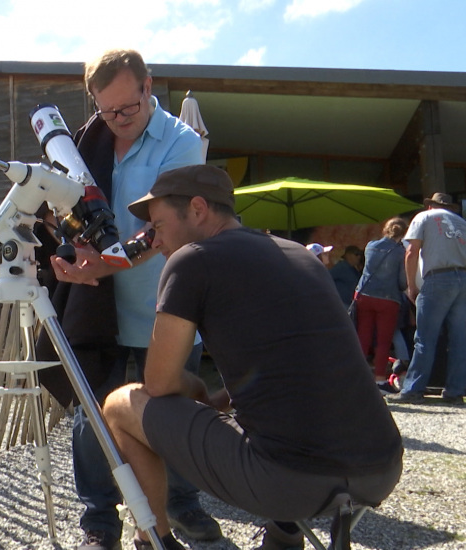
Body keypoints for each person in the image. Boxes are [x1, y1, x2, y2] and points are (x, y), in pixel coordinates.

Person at [101, 164, 403, 550]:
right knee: (275, 418)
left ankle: (154, 539)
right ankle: (284, 537)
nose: (154, 241)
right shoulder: (300, 256)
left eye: (158, 226)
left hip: (292, 482)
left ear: (197, 209)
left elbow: (159, 383)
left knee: (120, 404)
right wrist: (219, 401)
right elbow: (287, 368)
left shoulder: (192, 259)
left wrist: (197, 388)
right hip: (381, 468)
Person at [35, 49, 221, 550]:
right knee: (92, 415)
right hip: (99, 307)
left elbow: (166, 228)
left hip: (167, 309)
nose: (116, 122)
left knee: (174, 417)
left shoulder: (182, 142)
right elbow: (63, 211)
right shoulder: (82, 141)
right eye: (105, 111)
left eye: (127, 110)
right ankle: (99, 521)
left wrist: (107, 263)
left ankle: (180, 508)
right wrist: (64, 245)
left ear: (148, 87)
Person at [394, 192, 466, 404]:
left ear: (430, 206)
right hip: (463, 278)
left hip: (438, 278)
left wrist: (411, 285)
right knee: (460, 339)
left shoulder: (423, 218)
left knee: (425, 338)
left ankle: (413, 389)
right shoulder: (461, 222)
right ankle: (455, 391)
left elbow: (411, 251)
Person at [353, 218, 408, 394]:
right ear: (404, 233)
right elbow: (402, 281)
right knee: (383, 341)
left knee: (363, 337)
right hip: (388, 299)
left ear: (385, 229)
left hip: (365, 295)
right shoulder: (401, 252)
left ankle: (359, 378)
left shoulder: (370, 246)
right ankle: (380, 381)